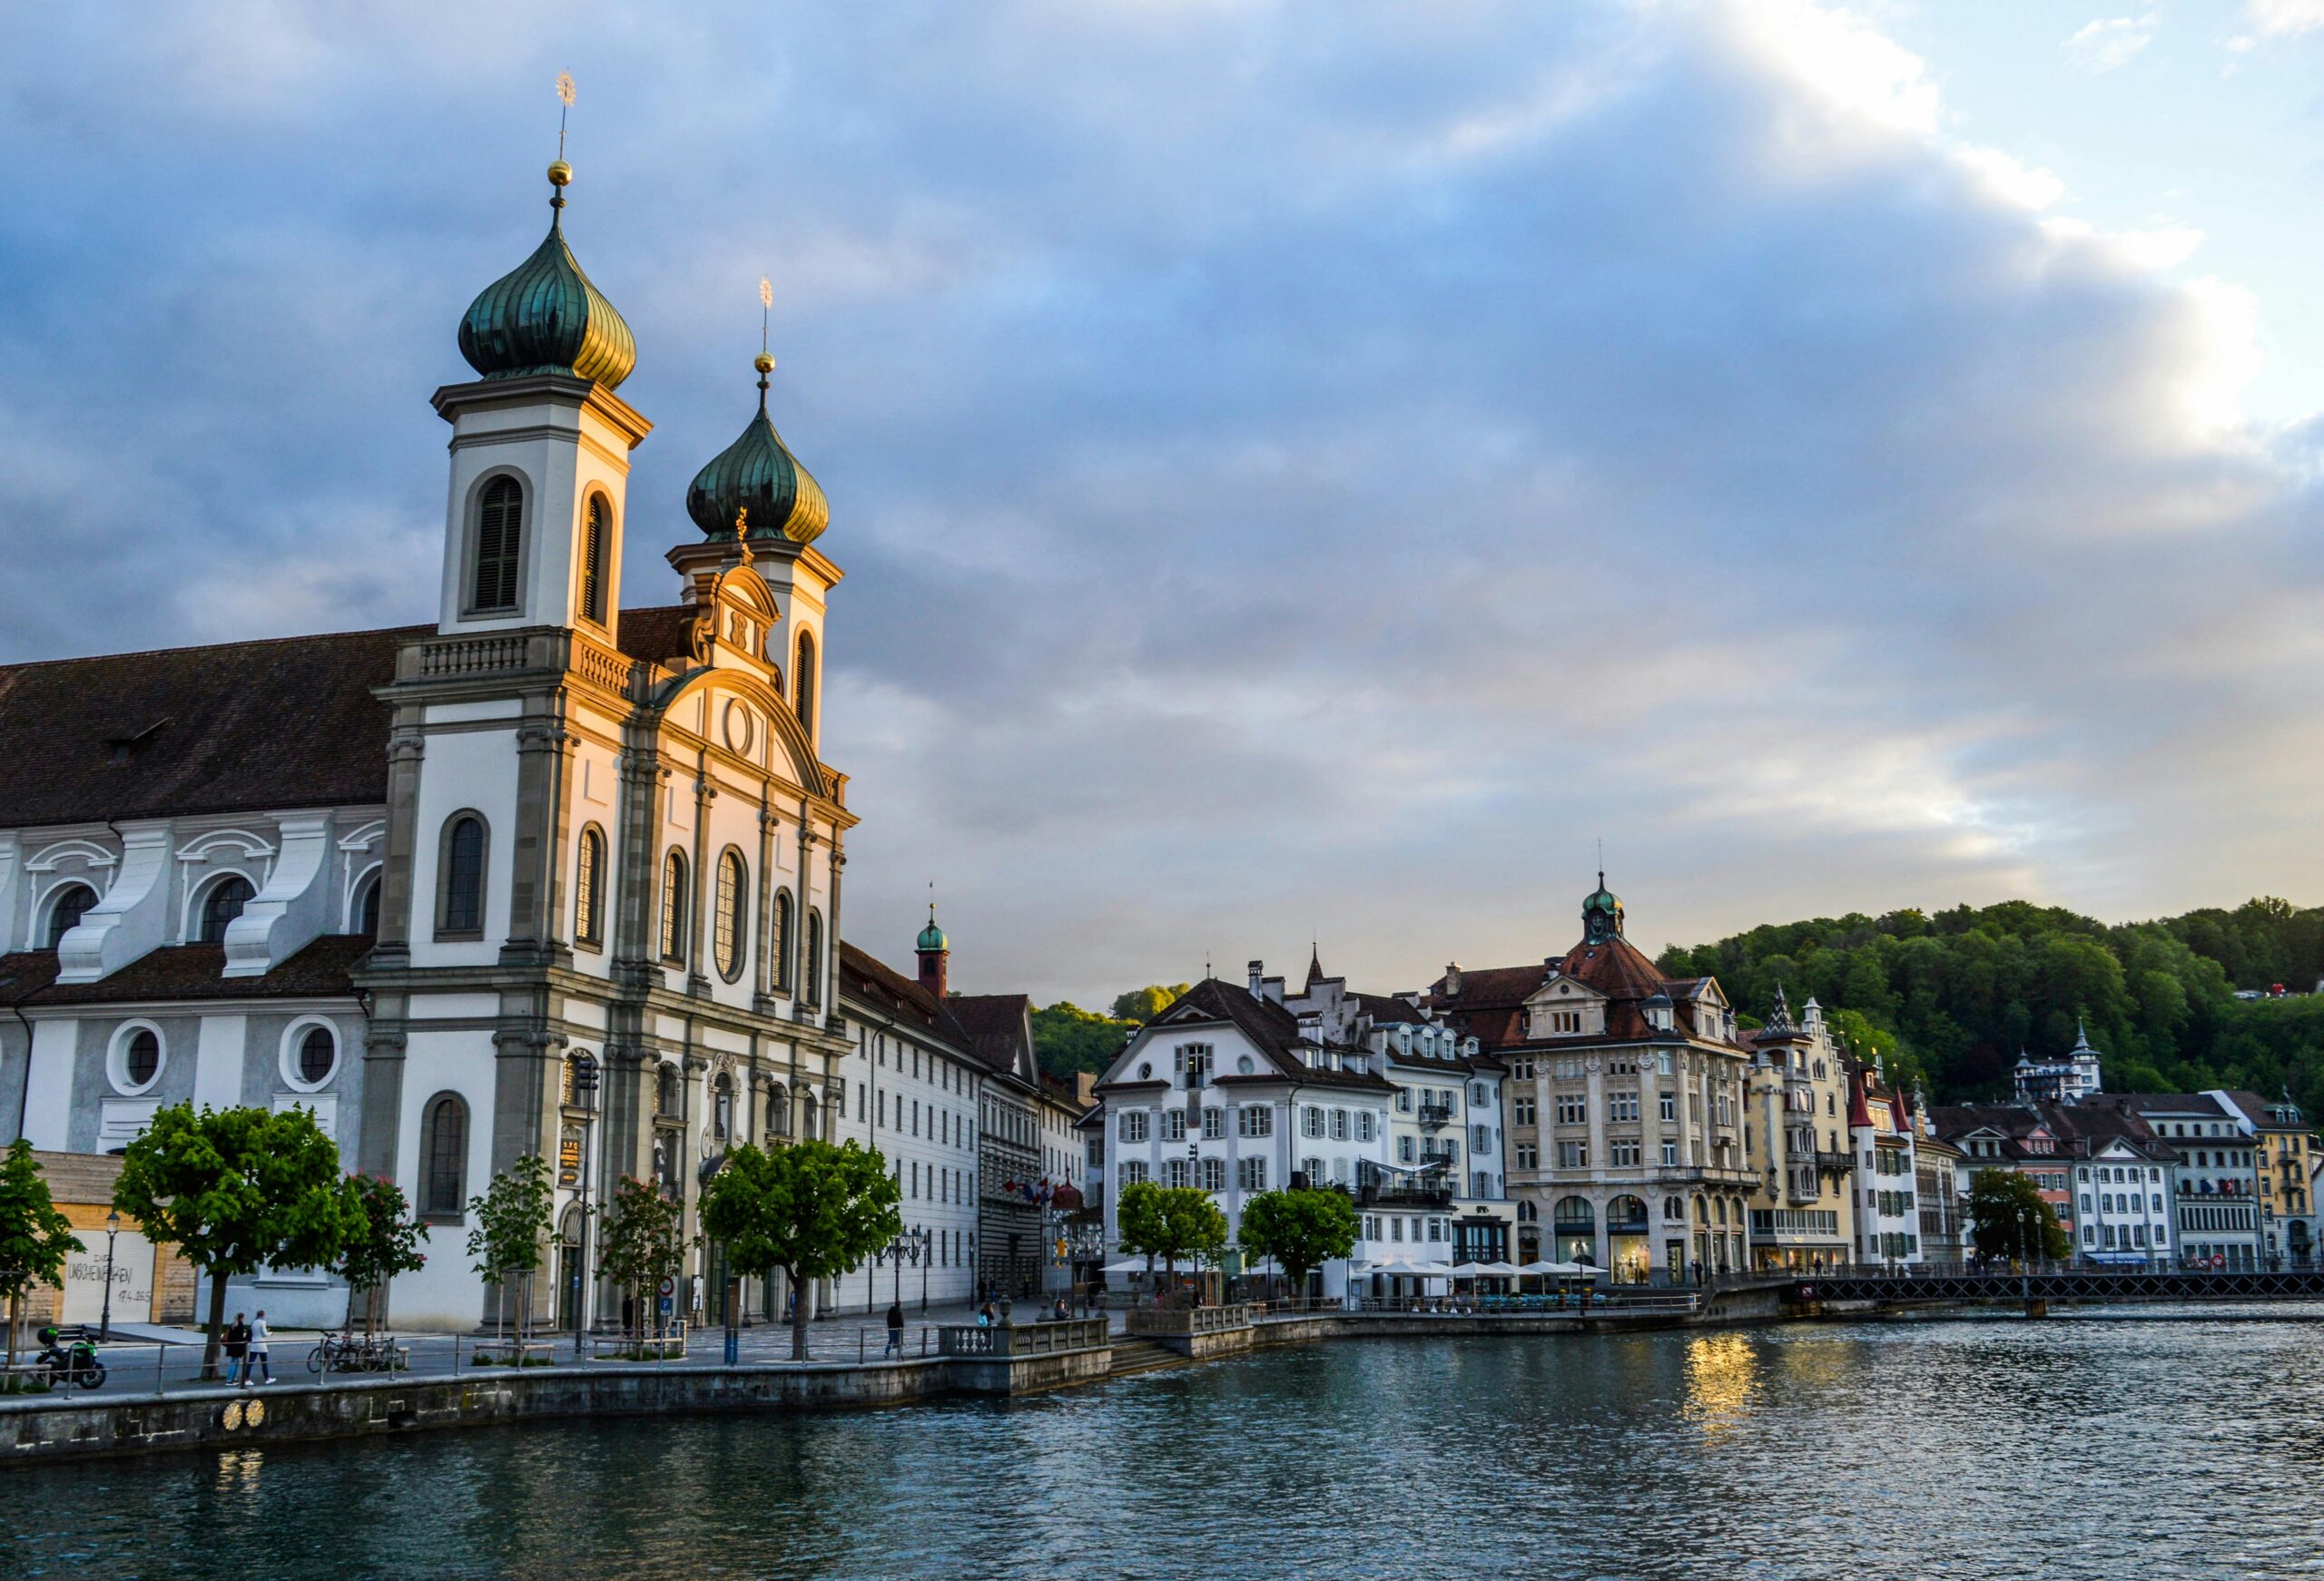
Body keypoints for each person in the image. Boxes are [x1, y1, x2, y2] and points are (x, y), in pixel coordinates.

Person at [244, 1309, 272, 1387]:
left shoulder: (253, 1322)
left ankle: (246, 1379)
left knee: (250, 1362)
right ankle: (267, 1378)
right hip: (261, 1344)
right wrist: (270, 1333)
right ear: (263, 1315)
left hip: (254, 1343)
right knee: (264, 1362)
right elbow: (264, 1333)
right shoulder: (263, 1322)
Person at [222, 1313, 250, 1386]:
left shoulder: (232, 1325)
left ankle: (234, 1378)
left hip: (231, 1346)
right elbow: (240, 1337)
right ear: (242, 1318)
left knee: (235, 1361)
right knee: (234, 1362)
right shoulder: (240, 1325)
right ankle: (229, 1380)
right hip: (237, 1346)